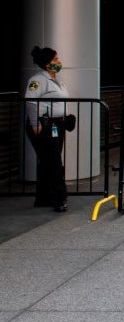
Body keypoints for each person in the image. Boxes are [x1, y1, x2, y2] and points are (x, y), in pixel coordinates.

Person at [25, 46, 72, 212]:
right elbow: (30, 102)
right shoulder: (38, 80)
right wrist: (35, 124)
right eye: (55, 60)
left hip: (56, 125)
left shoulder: (56, 80)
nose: (59, 62)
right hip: (44, 125)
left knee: (48, 161)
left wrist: (66, 117)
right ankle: (59, 198)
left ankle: (44, 197)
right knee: (53, 162)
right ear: (47, 64)